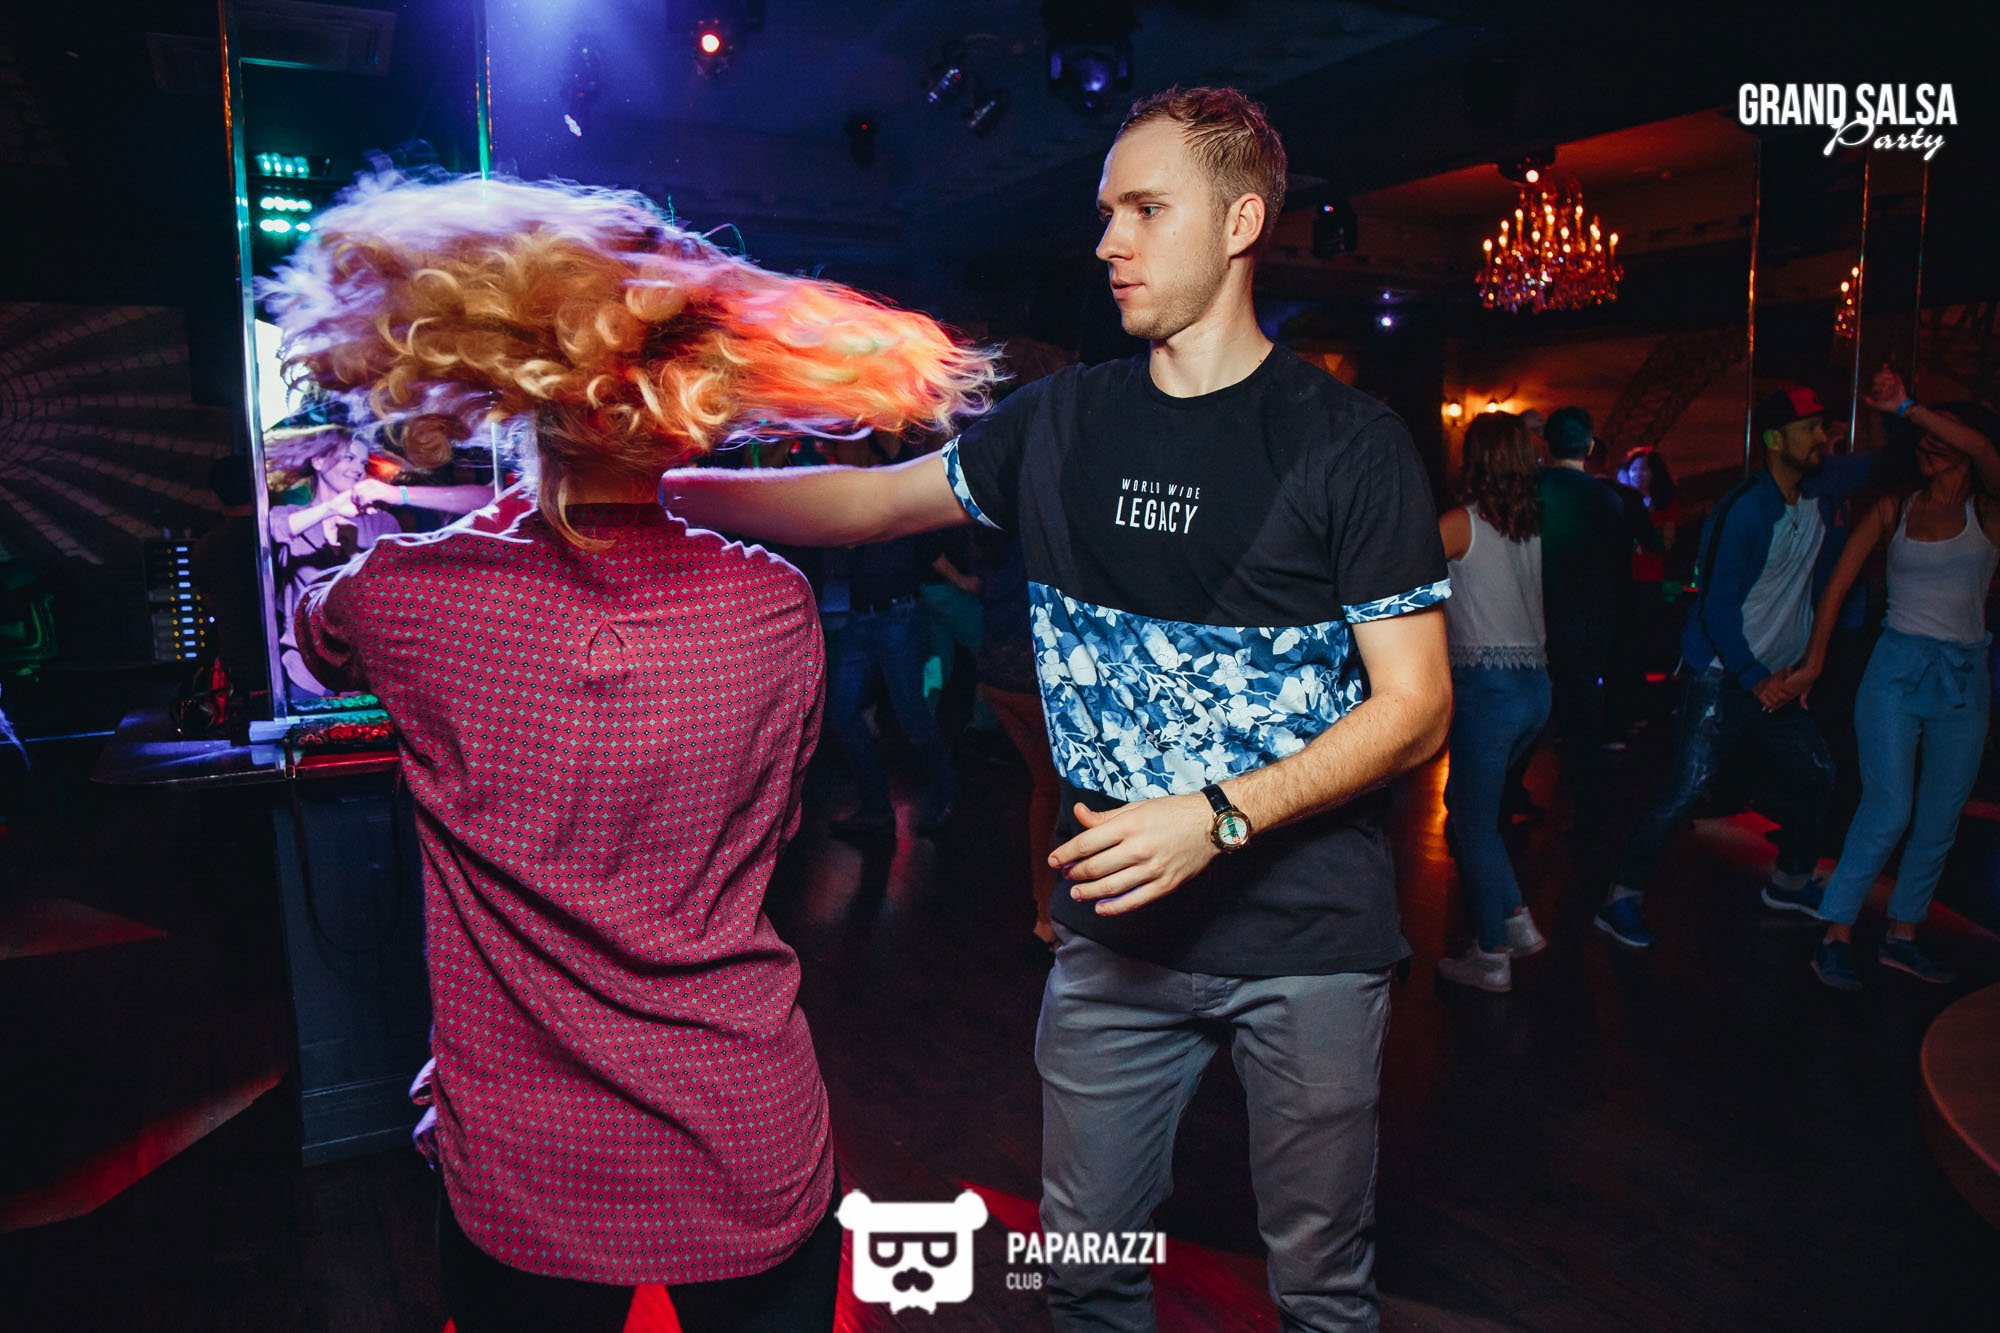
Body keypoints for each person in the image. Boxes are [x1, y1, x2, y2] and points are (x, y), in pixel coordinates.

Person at [666, 85, 1452, 1331]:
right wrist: (653, 487)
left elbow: (1415, 707)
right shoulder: (1063, 421)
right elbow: (868, 505)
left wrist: (1217, 816)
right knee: (1083, 1275)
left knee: (1318, 1289)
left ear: (1239, 221)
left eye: (1144, 210)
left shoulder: (1346, 443)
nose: (1107, 244)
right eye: (1103, 213)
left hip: (1307, 943)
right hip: (1112, 944)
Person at [263, 173, 996, 1333]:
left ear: (516, 389)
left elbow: (317, 634)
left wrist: (499, 514)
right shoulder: (771, 606)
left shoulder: (409, 600)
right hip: (744, 1128)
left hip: (528, 1160)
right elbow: (778, 816)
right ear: (687, 399)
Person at [1598, 386, 1840, 949]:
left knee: (1817, 772)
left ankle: (1790, 881)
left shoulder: (1819, 499)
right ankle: (1619, 897)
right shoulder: (1746, 509)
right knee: (1688, 788)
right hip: (1723, 676)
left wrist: (1803, 665)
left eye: (1823, 426)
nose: (1822, 438)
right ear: (1774, 439)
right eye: (1809, 428)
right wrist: (1754, 678)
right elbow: (1716, 606)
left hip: (1777, 676)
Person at [1791, 368, 2000, 991]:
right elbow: (1835, 589)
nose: (1928, 443)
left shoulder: (1988, 511)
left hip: (1963, 675)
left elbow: (1984, 449)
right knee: (1887, 807)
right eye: (1924, 437)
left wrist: (1909, 406)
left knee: (1940, 816)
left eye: (1942, 435)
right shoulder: (1894, 506)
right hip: (1895, 670)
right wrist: (1814, 662)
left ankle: (1903, 936)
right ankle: (1836, 933)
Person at [1436, 412, 1550, 993]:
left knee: (1473, 823)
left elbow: (1397, 578)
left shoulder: (1461, 524)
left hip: (1489, 690)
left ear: (1474, 457)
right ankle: (1517, 921)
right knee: (1479, 812)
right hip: (1535, 688)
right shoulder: (1527, 527)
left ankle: (1490, 953)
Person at [263, 418, 491, 695]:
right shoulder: (289, 516)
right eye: (349, 458)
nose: (358, 469)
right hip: (304, 671)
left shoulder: (381, 522)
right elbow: (276, 531)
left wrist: (353, 552)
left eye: (362, 462)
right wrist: (331, 509)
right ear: (319, 462)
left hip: (363, 669)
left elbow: (388, 594)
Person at [1538, 407, 1643, 819]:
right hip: (1591, 619)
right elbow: (1619, 566)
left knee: (1535, 711)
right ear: (1590, 445)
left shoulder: (1532, 489)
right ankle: (1587, 809)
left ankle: (1511, 800)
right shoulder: (1608, 498)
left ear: (1548, 443)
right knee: (1583, 713)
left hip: (1538, 615)